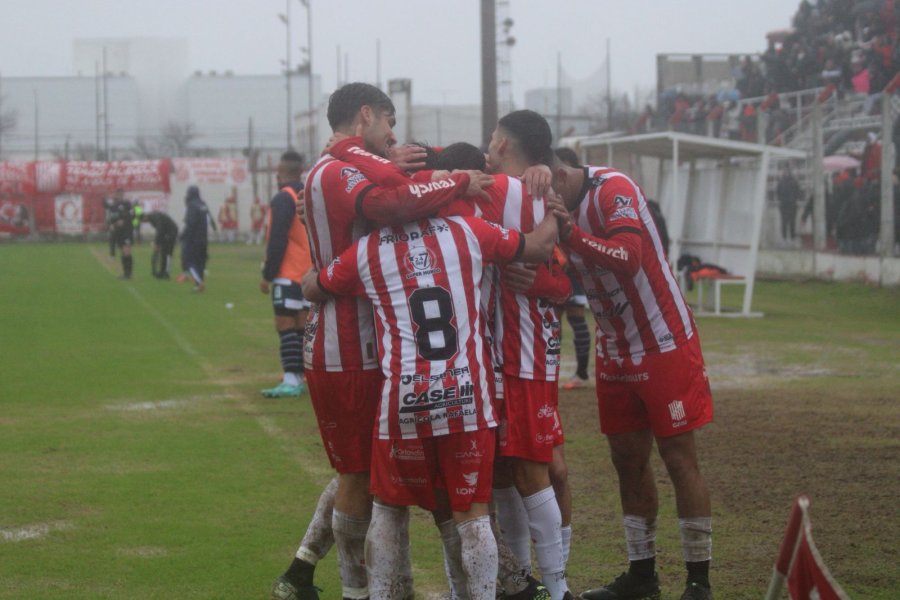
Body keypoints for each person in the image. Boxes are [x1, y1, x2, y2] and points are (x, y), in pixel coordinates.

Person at [275, 81, 493, 600]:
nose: (393, 137)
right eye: (389, 125)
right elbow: (389, 202)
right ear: (366, 115)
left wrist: (423, 169)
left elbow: (396, 181)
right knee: (364, 478)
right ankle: (359, 590)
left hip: (371, 340)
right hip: (349, 344)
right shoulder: (337, 170)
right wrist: (458, 180)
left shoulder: (348, 164)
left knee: (378, 477)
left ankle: (316, 573)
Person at [301, 207, 563, 600]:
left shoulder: (368, 249)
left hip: (404, 399)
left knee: (388, 507)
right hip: (467, 396)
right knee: (473, 516)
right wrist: (555, 212)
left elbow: (315, 288)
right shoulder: (467, 230)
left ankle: (381, 594)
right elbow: (540, 245)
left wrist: (310, 275)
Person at [551, 158, 715, 600]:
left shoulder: (612, 188)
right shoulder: (544, 204)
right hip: (614, 349)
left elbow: (629, 257)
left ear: (559, 173)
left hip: (663, 341)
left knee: (678, 459)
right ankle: (642, 576)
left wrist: (572, 234)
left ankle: (698, 583)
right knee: (627, 461)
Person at [260, 151, 313, 399]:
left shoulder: (284, 198)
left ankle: (292, 379)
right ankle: (302, 376)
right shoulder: (308, 195)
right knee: (302, 327)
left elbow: (278, 239)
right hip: (309, 273)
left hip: (288, 272)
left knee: (285, 324)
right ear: (301, 171)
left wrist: (268, 274)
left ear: (280, 172)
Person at [553, 148, 592, 392]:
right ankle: (551, 371)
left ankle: (582, 373)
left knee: (577, 318)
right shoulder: (550, 195)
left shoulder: (581, 198)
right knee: (553, 322)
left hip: (574, 270)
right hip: (554, 268)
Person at [176, 185, 216, 292]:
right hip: (204, 238)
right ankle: (198, 285)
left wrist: (182, 236)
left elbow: (190, 223)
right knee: (201, 262)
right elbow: (210, 219)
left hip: (193, 239)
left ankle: (199, 282)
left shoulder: (192, 206)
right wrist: (214, 227)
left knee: (188, 262)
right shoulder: (203, 204)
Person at [140, 211, 179, 279]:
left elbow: (160, 228)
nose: (144, 222)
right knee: (163, 253)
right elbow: (160, 230)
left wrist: (157, 243)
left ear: (144, 217)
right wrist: (158, 242)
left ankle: (166, 273)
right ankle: (162, 272)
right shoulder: (152, 218)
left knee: (168, 253)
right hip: (166, 232)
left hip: (171, 232)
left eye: (143, 221)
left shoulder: (154, 217)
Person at [108, 188, 135, 279]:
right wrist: (112, 224)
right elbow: (112, 218)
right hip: (118, 232)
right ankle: (125, 273)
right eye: (116, 193)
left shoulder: (127, 203)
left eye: (120, 193)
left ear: (122, 194)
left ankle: (129, 274)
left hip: (127, 231)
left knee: (126, 251)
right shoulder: (113, 206)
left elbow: (133, 214)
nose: (118, 195)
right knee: (123, 252)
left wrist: (124, 221)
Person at [776, 167, 802, 244]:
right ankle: (791, 238)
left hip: (784, 204)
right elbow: (798, 192)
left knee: (784, 222)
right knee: (791, 221)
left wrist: (781, 199)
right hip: (792, 204)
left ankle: (785, 238)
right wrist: (794, 199)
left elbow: (778, 193)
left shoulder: (781, 182)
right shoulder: (794, 181)